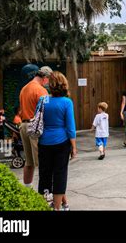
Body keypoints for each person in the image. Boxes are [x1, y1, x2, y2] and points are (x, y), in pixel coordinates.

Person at [38, 71, 77, 211]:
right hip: (62, 142)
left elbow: (38, 121)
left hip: (43, 142)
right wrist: (74, 147)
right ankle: (57, 208)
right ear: (64, 85)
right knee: (60, 174)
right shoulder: (67, 102)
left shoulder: (43, 100)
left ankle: (43, 205)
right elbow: (70, 127)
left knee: (45, 174)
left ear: (50, 85)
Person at [18, 66, 52, 189]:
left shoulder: (24, 89)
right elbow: (46, 111)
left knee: (29, 162)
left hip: (24, 125)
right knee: (42, 162)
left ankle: (27, 189)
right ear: (45, 78)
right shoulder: (41, 91)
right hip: (36, 128)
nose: (49, 83)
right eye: (49, 80)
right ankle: (46, 191)